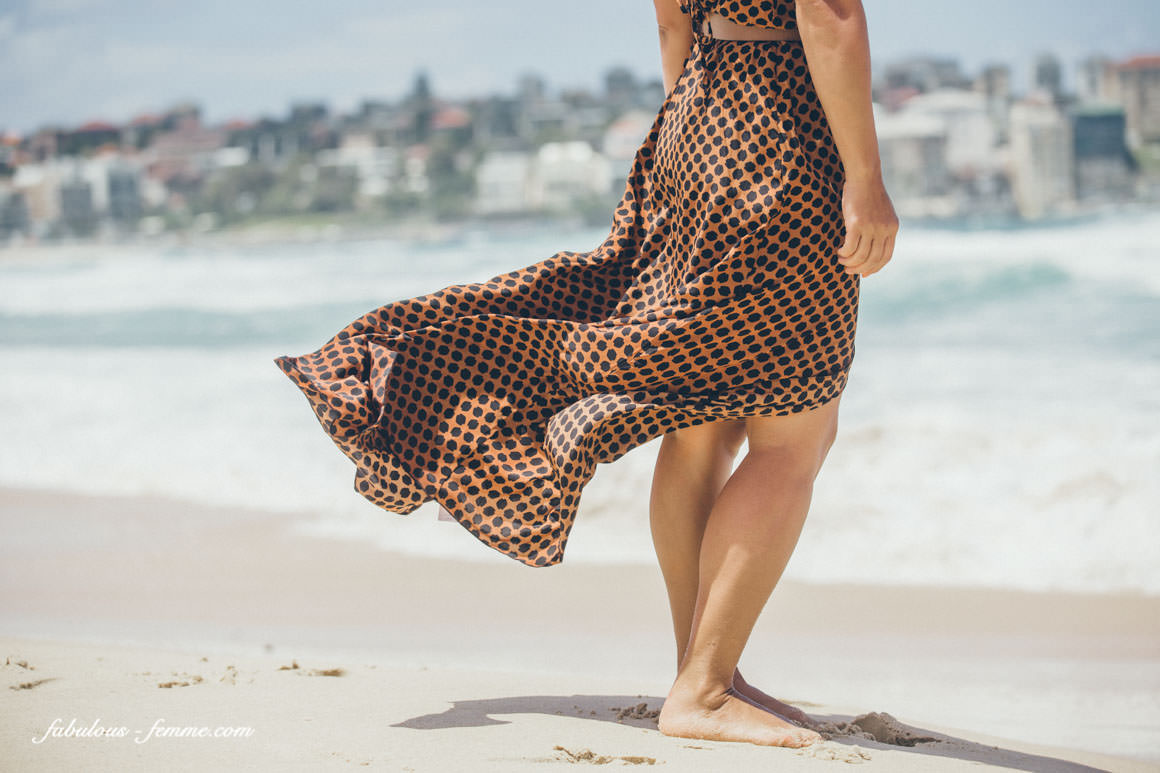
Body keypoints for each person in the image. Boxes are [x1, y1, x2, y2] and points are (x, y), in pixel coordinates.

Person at [273, 0, 897, 751]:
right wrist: (863, 178)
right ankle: (702, 686)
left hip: (696, 122)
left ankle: (702, 670)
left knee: (700, 417)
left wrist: (699, 147)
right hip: (779, 133)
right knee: (793, 436)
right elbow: (828, 18)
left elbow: (673, 25)